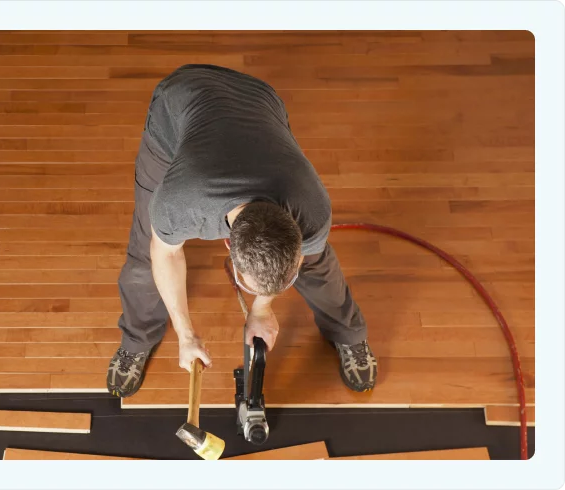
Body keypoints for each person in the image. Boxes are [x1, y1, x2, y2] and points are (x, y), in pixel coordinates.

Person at [106, 64, 377, 399]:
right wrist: (185, 334)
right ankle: (136, 339)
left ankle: (349, 333)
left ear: (294, 232)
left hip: (257, 98)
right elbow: (165, 254)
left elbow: (294, 263)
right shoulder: (181, 202)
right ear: (228, 247)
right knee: (145, 252)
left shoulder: (311, 208)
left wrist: (261, 310)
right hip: (180, 101)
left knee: (318, 260)